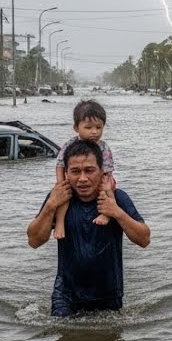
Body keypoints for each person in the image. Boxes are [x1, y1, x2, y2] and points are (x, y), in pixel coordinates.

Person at [28, 139, 150, 316]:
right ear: (66, 173)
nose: (83, 178)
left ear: (102, 171)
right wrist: (50, 206)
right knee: (60, 329)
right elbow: (34, 241)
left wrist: (116, 212)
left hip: (109, 294)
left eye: (89, 170)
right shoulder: (58, 199)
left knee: (110, 333)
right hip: (66, 294)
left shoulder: (117, 198)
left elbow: (144, 239)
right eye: (75, 171)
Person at [54, 99, 116, 239]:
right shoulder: (70, 145)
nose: (94, 132)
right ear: (76, 128)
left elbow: (108, 170)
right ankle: (59, 222)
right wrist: (61, 183)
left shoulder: (103, 147)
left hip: (101, 179)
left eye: (98, 127)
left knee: (109, 189)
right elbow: (60, 165)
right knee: (63, 196)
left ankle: (106, 214)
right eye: (88, 128)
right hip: (73, 182)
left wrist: (105, 185)